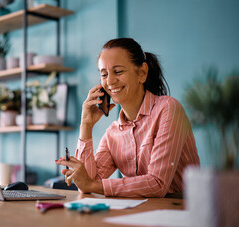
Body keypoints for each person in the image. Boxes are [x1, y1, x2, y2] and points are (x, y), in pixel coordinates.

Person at [55, 38, 200, 197]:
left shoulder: (168, 109)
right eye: (104, 74)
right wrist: (86, 125)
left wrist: (92, 185)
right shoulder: (113, 134)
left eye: (118, 71)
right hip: (140, 212)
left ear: (142, 73)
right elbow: (87, 184)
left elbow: (157, 183)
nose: (109, 81)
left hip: (183, 209)